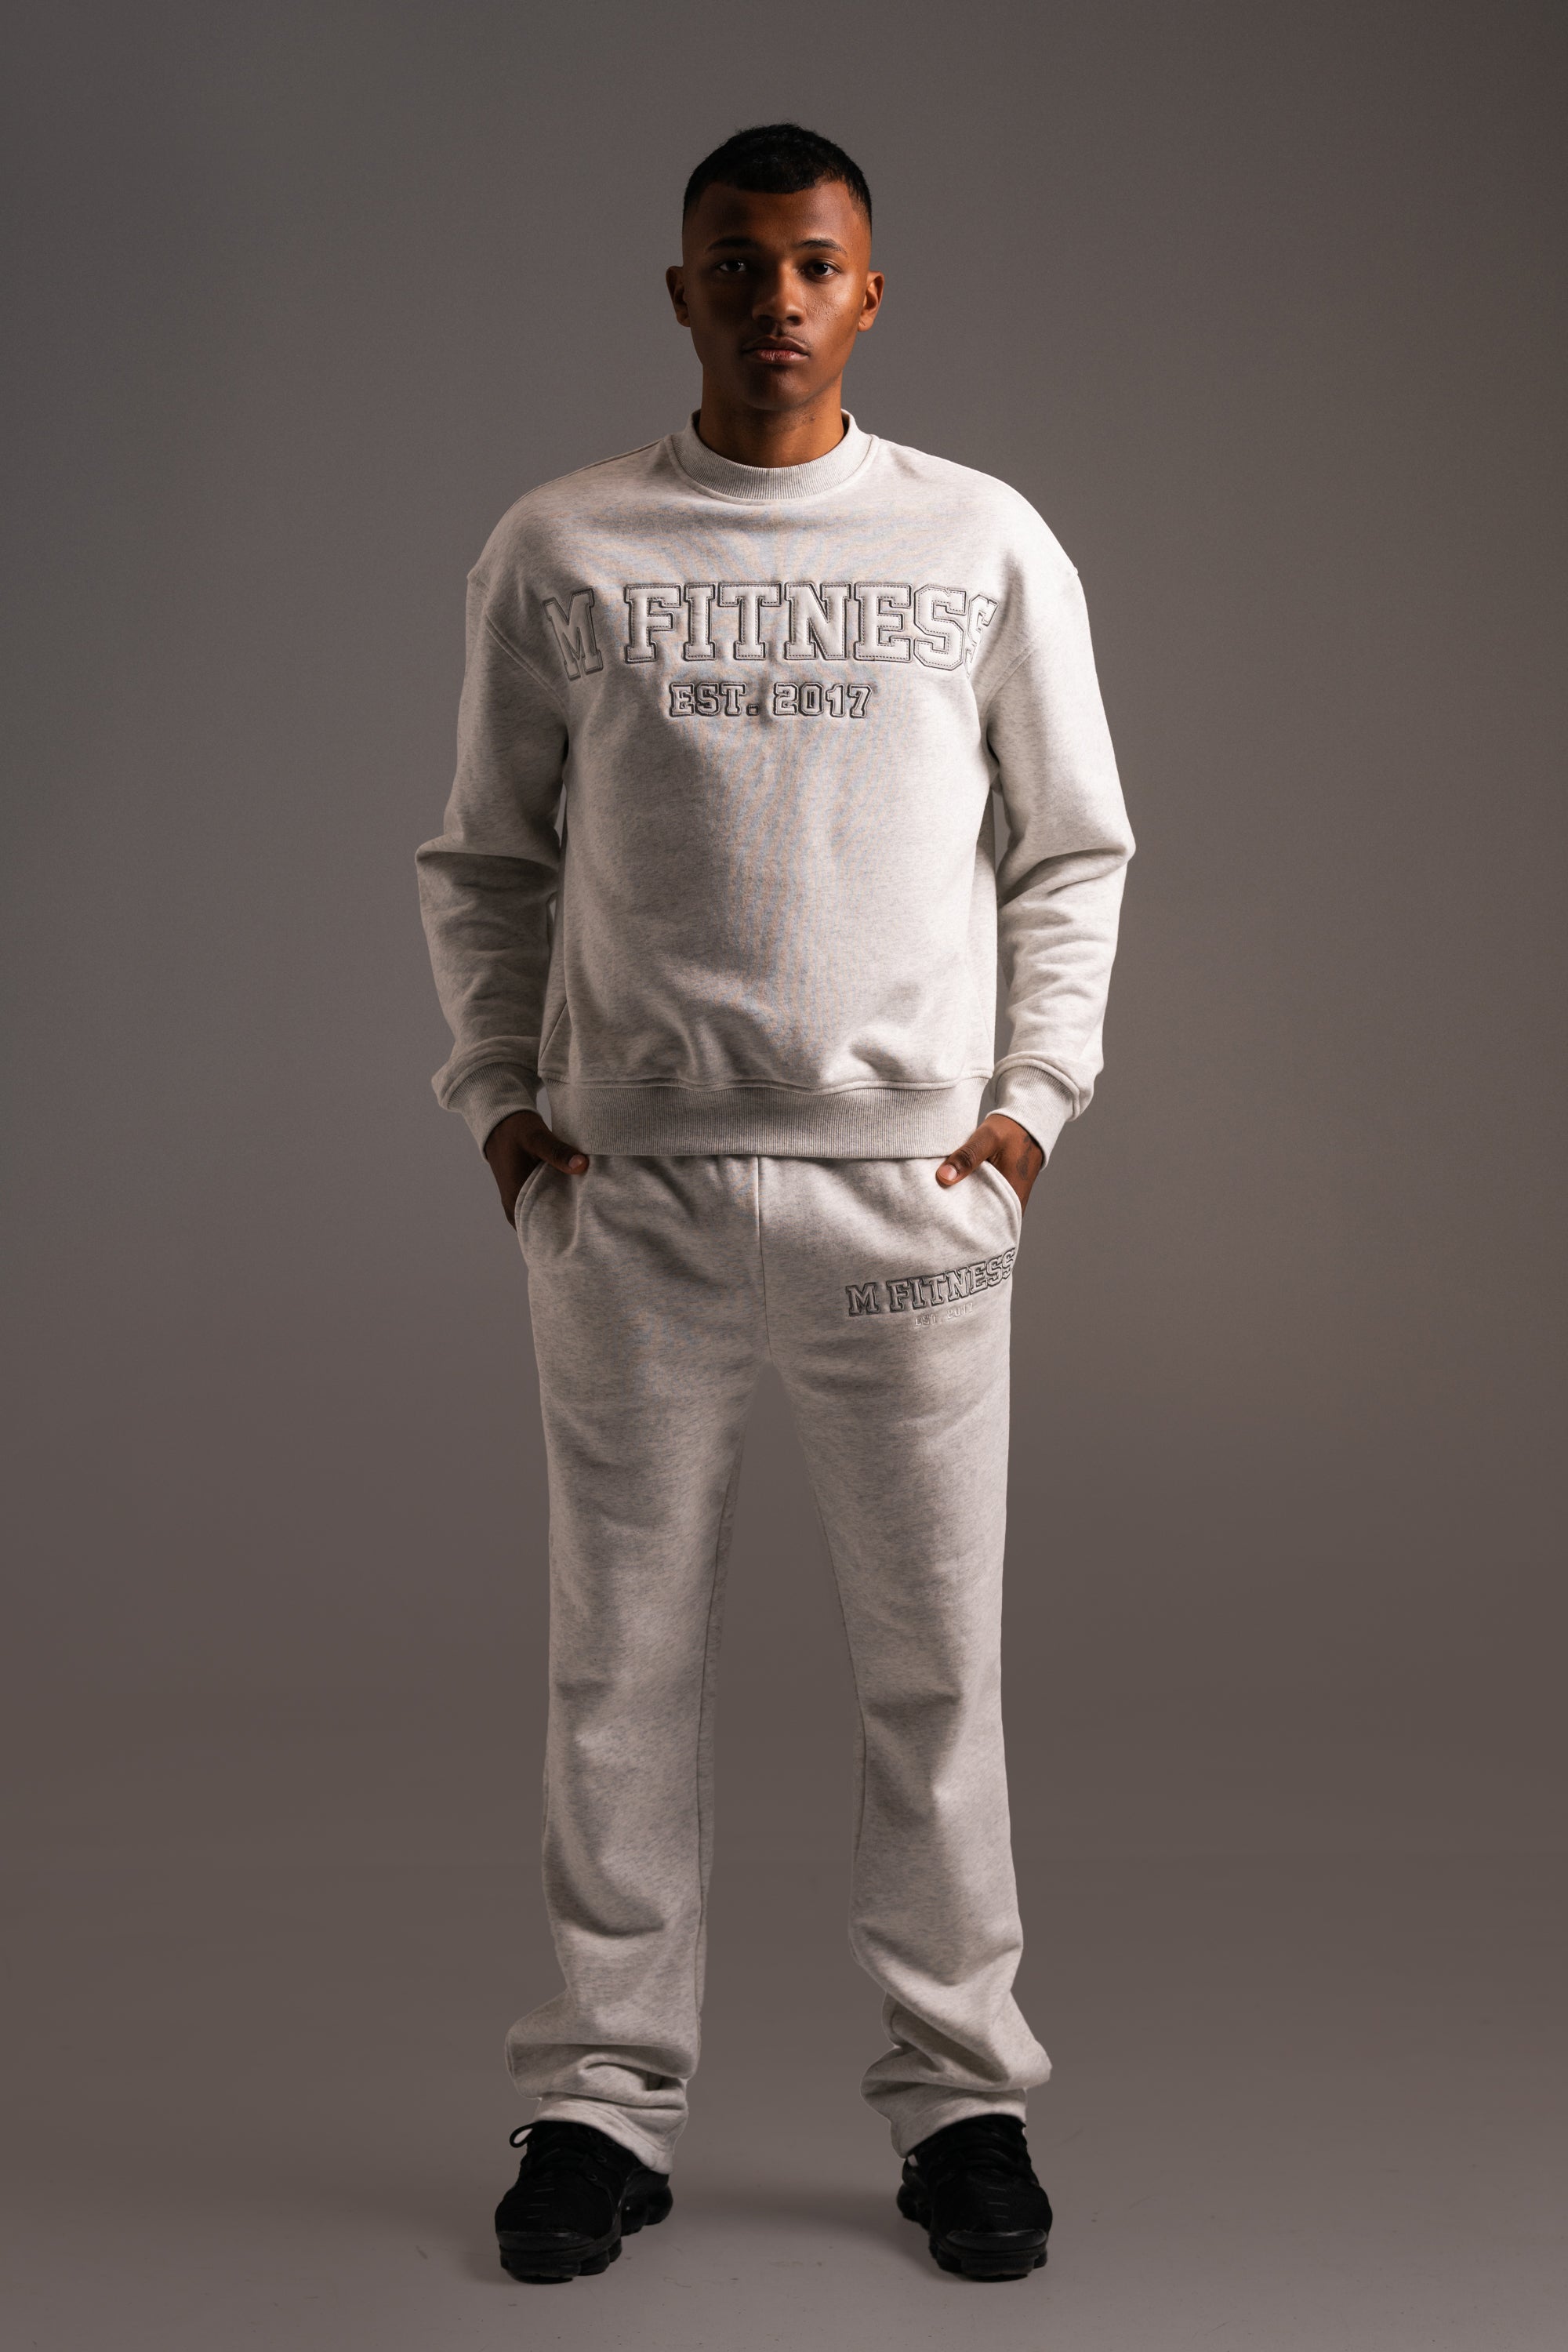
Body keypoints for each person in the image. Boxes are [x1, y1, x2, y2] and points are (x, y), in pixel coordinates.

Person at [416, 122, 1134, 2288]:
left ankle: (962, 2098)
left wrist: (1027, 1112)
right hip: (629, 1200)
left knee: (936, 1673)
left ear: (870, 293)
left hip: (907, 1209)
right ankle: (598, 2102)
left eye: (816, 264)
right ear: (682, 292)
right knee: (616, 1668)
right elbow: (488, 860)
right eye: (738, 264)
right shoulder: (563, 546)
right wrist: (503, 1109)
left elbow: (1072, 849)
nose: (778, 299)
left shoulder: (979, 538)